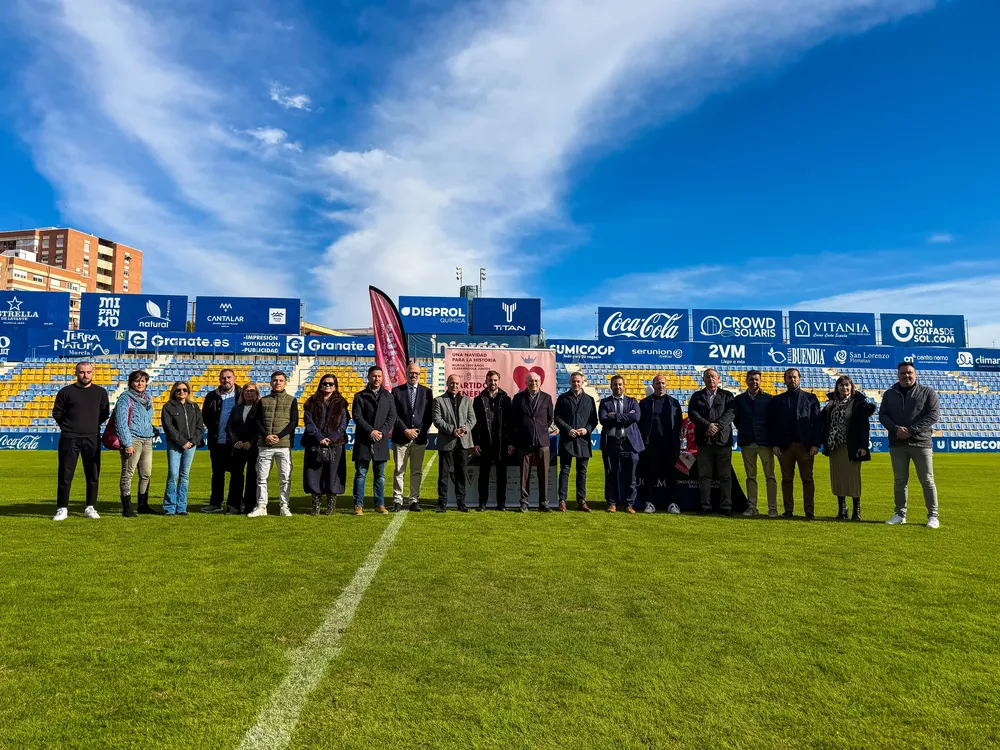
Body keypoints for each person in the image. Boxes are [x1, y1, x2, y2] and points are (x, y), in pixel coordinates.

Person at [878, 361, 941, 528]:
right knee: (900, 481)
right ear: (898, 375)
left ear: (915, 374)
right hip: (897, 444)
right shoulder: (889, 394)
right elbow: (882, 415)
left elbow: (933, 415)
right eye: (903, 373)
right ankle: (900, 514)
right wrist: (896, 429)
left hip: (921, 443)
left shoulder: (927, 392)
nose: (906, 376)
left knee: (927, 480)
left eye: (909, 372)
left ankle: (933, 516)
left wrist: (911, 430)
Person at [51, 361, 110, 521]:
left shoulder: (101, 392)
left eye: (88, 372)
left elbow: (105, 413)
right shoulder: (66, 391)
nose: (85, 375)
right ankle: (62, 508)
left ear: (93, 373)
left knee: (92, 474)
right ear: (76, 373)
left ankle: (90, 507)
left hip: (92, 438)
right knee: (65, 474)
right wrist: (69, 426)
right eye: (82, 372)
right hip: (69, 438)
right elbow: (57, 413)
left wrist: (91, 425)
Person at [766, 368, 822, 520]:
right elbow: (772, 425)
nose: (792, 379)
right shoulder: (777, 400)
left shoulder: (810, 398)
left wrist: (816, 444)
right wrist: (775, 444)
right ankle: (788, 510)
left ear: (800, 379)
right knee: (786, 479)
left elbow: (817, 423)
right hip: (785, 447)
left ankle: (809, 512)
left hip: (805, 447)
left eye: (795, 377)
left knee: (808, 479)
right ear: (785, 380)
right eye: (789, 377)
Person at [822, 375, 875, 521]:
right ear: (837, 388)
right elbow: (821, 422)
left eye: (847, 385)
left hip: (851, 446)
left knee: (853, 478)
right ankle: (842, 509)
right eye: (841, 385)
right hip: (835, 446)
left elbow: (864, 426)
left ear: (851, 387)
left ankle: (856, 510)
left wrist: (863, 446)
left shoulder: (858, 403)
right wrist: (826, 409)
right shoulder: (831, 404)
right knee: (838, 478)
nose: (844, 388)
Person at [248, 371, 299, 518]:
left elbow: (293, 422)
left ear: (285, 383)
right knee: (262, 478)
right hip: (265, 445)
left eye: (280, 380)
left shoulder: (291, 400)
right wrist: (266, 436)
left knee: (285, 477)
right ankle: (261, 506)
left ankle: (284, 506)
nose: (277, 382)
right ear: (271, 382)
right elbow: (257, 421)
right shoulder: (262, 401)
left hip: (283, 445)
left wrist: (279, 436)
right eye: (275, 380)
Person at [687, 368, 736, 515]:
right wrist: (707, 425)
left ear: (719, 379)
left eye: (713, 377)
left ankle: (726, 507)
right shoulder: (697, 396)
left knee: (725, 476)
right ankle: (705, 506)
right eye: (707, 377)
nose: (711, 379)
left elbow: (731, 413)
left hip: (723, 442)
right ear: (703, 380)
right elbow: (692, 414)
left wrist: (716, 427)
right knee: (704, 476)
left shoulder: (727, 396)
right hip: (704, 442)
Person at [351, 366, 396, 515]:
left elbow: (392, 417)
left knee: (380, 475)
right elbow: (357, 417)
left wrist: (381, 432)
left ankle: (380, 504)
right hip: (364, 440)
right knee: (361, 474)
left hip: (381, 441)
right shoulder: (360, 396)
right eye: (374, 376)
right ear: (368, 377)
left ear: (382, 378)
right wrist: (371, 431)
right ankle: (358, 505)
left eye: (379, 376)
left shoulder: (388, 396)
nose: (376, 379)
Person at [507, 372, 555, 512]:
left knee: (544, 473)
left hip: (542, 441)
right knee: (524, 474)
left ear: (540, 382)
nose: (533, 383)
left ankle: (544, 502)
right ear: (525, 382)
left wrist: (538, 429)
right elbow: (513, 420)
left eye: (535, 380)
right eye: (530, 381)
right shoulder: (518, 398)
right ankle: (524, 502)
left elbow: (549, 419)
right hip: (523, 440)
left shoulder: (547, 398)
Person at [302, 374, 349, 515]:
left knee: (333, 474)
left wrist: (332, 438)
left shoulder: (342, 402)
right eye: (325, 383)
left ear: (335, 386)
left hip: (336, 444)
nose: (327, 386)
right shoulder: (311, 401)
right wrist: (319, 438)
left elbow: (343, 424)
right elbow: (308, 422)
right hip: (314, 444)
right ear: (320, 385)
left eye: (330, 384)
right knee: (314, 473)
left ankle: (330, 506)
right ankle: (315, 505)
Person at [115, 369, 159, 517]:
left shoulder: (147, 398)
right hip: (133, 439)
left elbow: (146, 418)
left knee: (146, 473)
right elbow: (121, 422)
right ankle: (127, 507)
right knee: (128, 473)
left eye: (143, 381)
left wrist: (152, 429)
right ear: (131, 382)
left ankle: (143, 504)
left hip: (147, 440)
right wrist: (127, 443)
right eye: (137, 380)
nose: (140, 383)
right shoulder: (125, 398)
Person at [390, 361, 433, 512]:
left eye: (416, 373)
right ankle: (397, 500)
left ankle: (414, 500)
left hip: (419, 439)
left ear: (420, 375)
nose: (413, 375)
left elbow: (428, 416)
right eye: (411, 372)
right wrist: (405, 430)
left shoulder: (427, 392)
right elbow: (393, 414)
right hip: (401, 438)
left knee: (416, 470)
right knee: (399, 470)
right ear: (406, 374)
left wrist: (418, 431)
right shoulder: (396, 392)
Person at [637, 374, 684, 513]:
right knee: (650, 475)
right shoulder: (644, 403)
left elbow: (679, 424)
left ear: (666, 385)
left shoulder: (674, 403)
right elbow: (640, 425)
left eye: (663, 383)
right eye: (658, 383)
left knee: (671, 476)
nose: (660, 385)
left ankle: (672, 504)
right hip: (651, 446)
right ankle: (650, 503)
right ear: (654, 385)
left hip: (670, 446)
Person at [733, 370, 776, 517]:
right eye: (751, 380)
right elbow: (736, 420)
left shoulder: (769, 399)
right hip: (747, 443)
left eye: (757, 380)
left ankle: (772, 509)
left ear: (761, 381)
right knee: (751, 477)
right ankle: (752, 507)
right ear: (746, 381)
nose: (754, 382)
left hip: (765, 443)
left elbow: (772, 421)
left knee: (770, 476)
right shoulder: (739, 400)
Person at [598, 375, 644, 513]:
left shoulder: (632, 401)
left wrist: (615, 416)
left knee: (630, 475)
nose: (617, 387)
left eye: (620, 385)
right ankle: (612, 503)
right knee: (610, 474)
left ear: (624, 386)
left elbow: (636, 417)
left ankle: (628, 504)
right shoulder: (605, 402)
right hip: (611, 442)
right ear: (611, 386)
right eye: (615, 384)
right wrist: (626, 416)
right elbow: (603, 419)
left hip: (629, 443)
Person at [554, 372, 599, 512]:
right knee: (565, 471)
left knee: (582, 472)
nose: (576, 384)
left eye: (578, 381)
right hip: (567, 440)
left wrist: (587, 430)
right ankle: (562, 501)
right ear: (570, 382)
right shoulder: (562, 398)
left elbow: (594, 420)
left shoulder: (589, 399)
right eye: (574, 381)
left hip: (583, 440)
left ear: (583, 381)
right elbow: (557, 418)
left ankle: (581, 501)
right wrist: (567, 429)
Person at [432, 374, 477, 512]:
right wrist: (453, 430)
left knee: (461, 473)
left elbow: (472, 419)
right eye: (452, 383)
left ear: (460, 385)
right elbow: (437, 420)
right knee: (444, 474)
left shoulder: (467, 400)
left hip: (463, 443)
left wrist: (465, 429)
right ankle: (442, 503)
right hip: (447, 442)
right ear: (447, 383)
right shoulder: (439, 400)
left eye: (457, 383)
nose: (454, 386)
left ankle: (461, 502)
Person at [161, 380, 204, 516]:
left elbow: (199, 426)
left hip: (191, 446)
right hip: (175, 445)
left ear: (188, 392)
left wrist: (192, 441)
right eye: (179, 390)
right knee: (173, 475)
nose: (182, 392)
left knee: (184, 476)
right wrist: (182, 441)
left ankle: (182, 507)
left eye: (184, 390)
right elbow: (168, 427)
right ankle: (170, 507)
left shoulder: (194, 406)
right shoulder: (168, 407)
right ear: (174, 391)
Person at [201, 369, 242, 513]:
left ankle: (234, 504)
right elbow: (205, 416)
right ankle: (216, 503)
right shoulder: (212, 396)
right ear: (219, 380)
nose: (226, 380)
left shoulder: (241, 395)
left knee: (237, 475)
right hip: (217, 441)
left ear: (234, 378)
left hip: (236, 443)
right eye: (223, 378)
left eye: (229, 377)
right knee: (217, 474)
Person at [472, 370, 512, 511]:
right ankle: (482, 503)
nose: (493, 383)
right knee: (484, 475)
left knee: (502, 476)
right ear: (486, 381)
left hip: (501, 443)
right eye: (490, 380)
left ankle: (501, 503)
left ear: (499, 381)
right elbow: (475, 424)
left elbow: (510, 423)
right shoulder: (478, 399)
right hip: (484, 443)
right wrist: (475, 442)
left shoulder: (506, 399)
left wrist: (510, 443)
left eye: (495, 380)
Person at [225, 382, 262, 515]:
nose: (249, 393)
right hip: (238, 447)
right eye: (246, 391)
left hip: (254, 448)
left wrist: (251, 442)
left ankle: (250, 506)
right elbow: (229, 427)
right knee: (236, 477)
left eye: (252, 391)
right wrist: (236, 442)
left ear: (256, 393)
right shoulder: (237, 408)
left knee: (252, 477)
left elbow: (261, 428)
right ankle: (233, 505)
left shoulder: (260, 408)